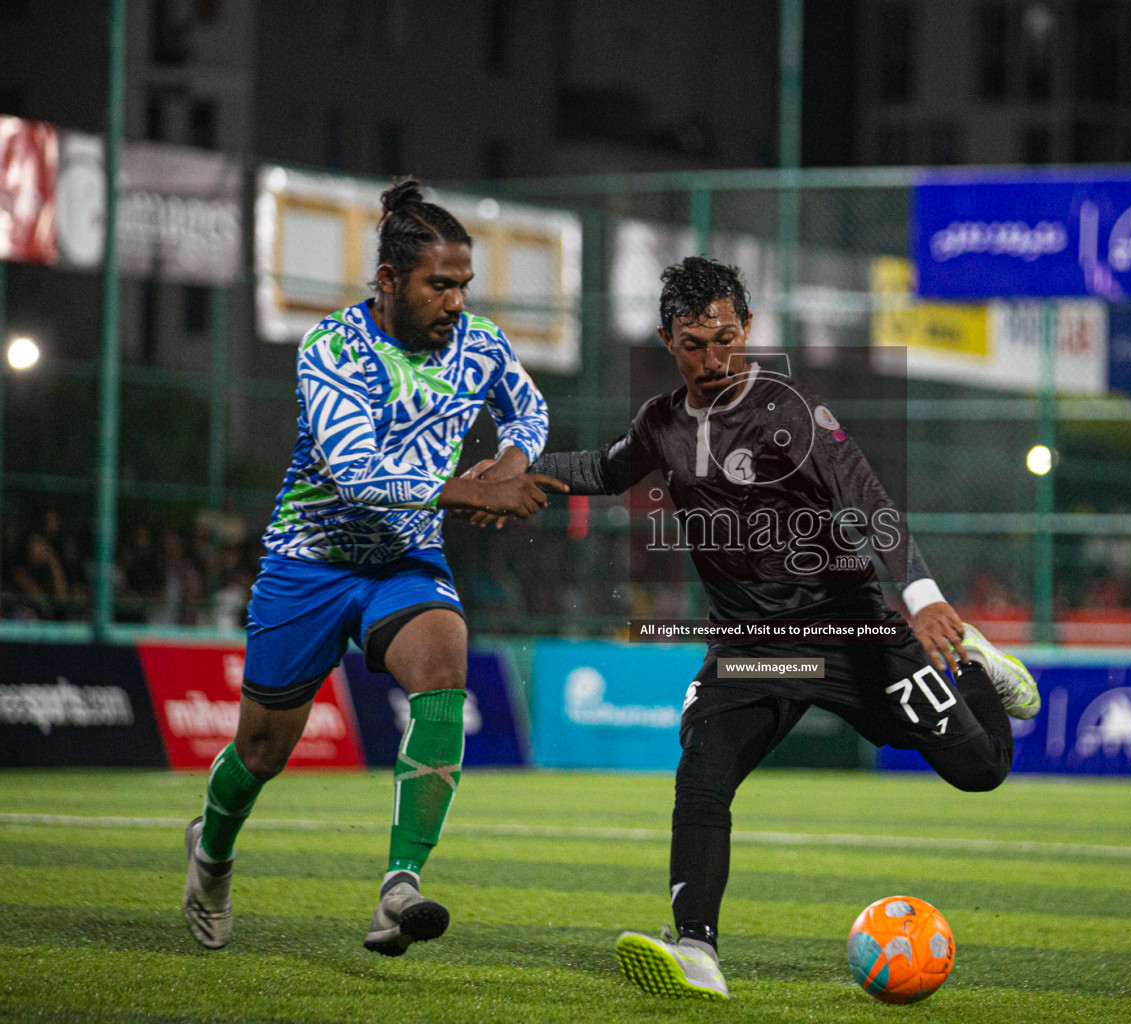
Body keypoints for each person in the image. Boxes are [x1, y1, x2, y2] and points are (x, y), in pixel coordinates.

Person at [530, 256, 1039, 1000]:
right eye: (695, 343)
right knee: (703, 772)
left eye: (727, 339)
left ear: (749, 331)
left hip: (852, 630)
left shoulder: (789, 410)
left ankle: (976, 666)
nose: (713, 359)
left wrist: (923, 597)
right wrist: (520, 476)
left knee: (982, 767)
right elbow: (604, 469)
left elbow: (867, 499)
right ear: (668, 338)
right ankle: (695, 948)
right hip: (751, 651)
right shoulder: (661, 423)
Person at [181, 178, 567, 955]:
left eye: (464, 284)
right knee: (262, 752)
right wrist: (468, 491)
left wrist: (509, 462)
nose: (456, 301)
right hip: (310, 562)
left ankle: (400, 886)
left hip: (403, 558)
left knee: (445, 663)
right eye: (440, 284)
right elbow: (356, 473)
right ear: (389, 280)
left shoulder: (480, 344)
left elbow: (529, 409)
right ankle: (212, 851)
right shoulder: (332, 348)